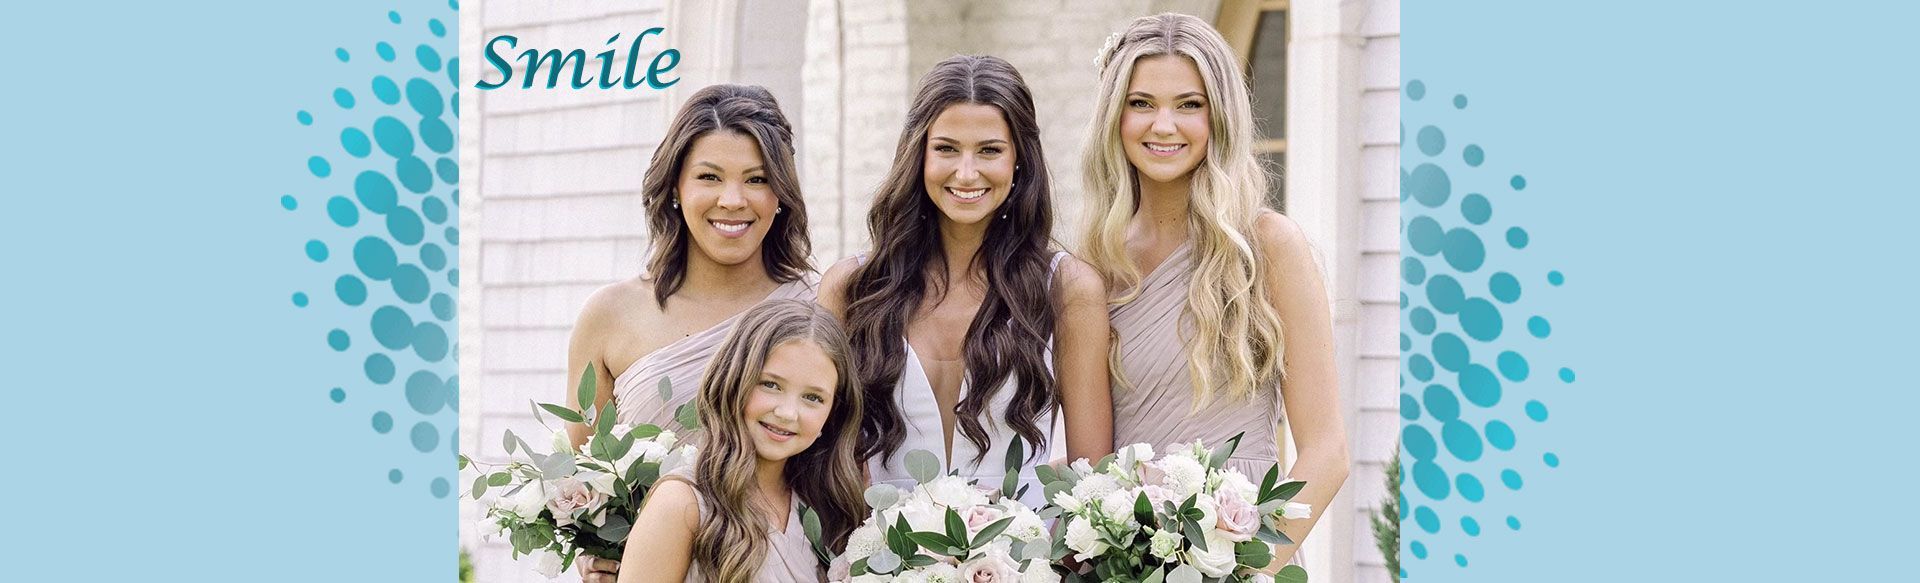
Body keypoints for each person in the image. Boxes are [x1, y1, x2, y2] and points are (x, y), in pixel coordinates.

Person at [1081, 13, 1350, 566]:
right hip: (1127, 558)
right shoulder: (1094, 265)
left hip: (1247, 551)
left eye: (1189, 104)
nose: (1163, 126)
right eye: (1140, 104)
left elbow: (1327, 453)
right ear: (1114, 117)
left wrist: (1247, 570)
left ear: (1219, 115)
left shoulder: (1270, 247)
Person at [819, 55, 1113, 508]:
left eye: (990, 150)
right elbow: (827, 453)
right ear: (918, 154)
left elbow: (1092, 479)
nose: (967, 172)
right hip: (870, 561)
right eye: (947, 149)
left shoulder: (1068, 288)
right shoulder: (852, 287)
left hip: (1023, 564)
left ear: (1020, 160)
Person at [567, 84, 816, 582]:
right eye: (710, 177)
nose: (732, 199)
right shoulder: (610, 315)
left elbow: (842, 464)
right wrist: (594, 557)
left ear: (781, 196)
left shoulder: (817, 309)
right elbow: (581, 480)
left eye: (757, 179)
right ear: (676, 188)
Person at [617, 299, 867, 582]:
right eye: (771, 384)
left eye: (812, 398)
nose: (787, 413)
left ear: (832, 413)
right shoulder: (682, 503)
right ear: (734, 381)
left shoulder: (831, 510)